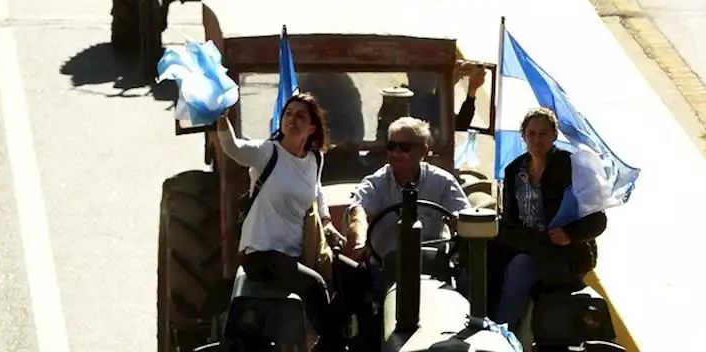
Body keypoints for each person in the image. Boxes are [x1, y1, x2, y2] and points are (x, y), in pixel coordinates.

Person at [216, 92, 347, 350]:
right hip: (261, 254)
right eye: (288, 114)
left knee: (354, 278)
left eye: (300, 116)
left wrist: (327, 221)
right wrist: (222, 121)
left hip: (294, 253)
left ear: (312, 128)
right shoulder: (267, 153)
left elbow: (317, 191)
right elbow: (233, 147)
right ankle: (334, 346)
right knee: (314, 284)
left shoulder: (314, 159)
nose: (292, 119)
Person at [491, 106, 608, 330]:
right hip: (526, 245)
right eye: (531, 133)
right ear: (523, 135)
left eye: (543, 133)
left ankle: (502, 331)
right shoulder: (514, 170)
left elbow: (598, 219)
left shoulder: (574, 167)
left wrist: (570, 234)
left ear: (554, 135)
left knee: (520, 268)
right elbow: (509, 220)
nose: (537, 140)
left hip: (562, 253)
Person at [342, 117, 470, 272]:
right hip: (385, 269)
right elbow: (359, 215)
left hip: (434, 267)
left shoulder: (443, 182)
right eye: (391, 146)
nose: (396, 153)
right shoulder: (375, 184)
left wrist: (458, 219)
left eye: (404, 147)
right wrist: (360, 241)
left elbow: (464, 215)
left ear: (423, 150)